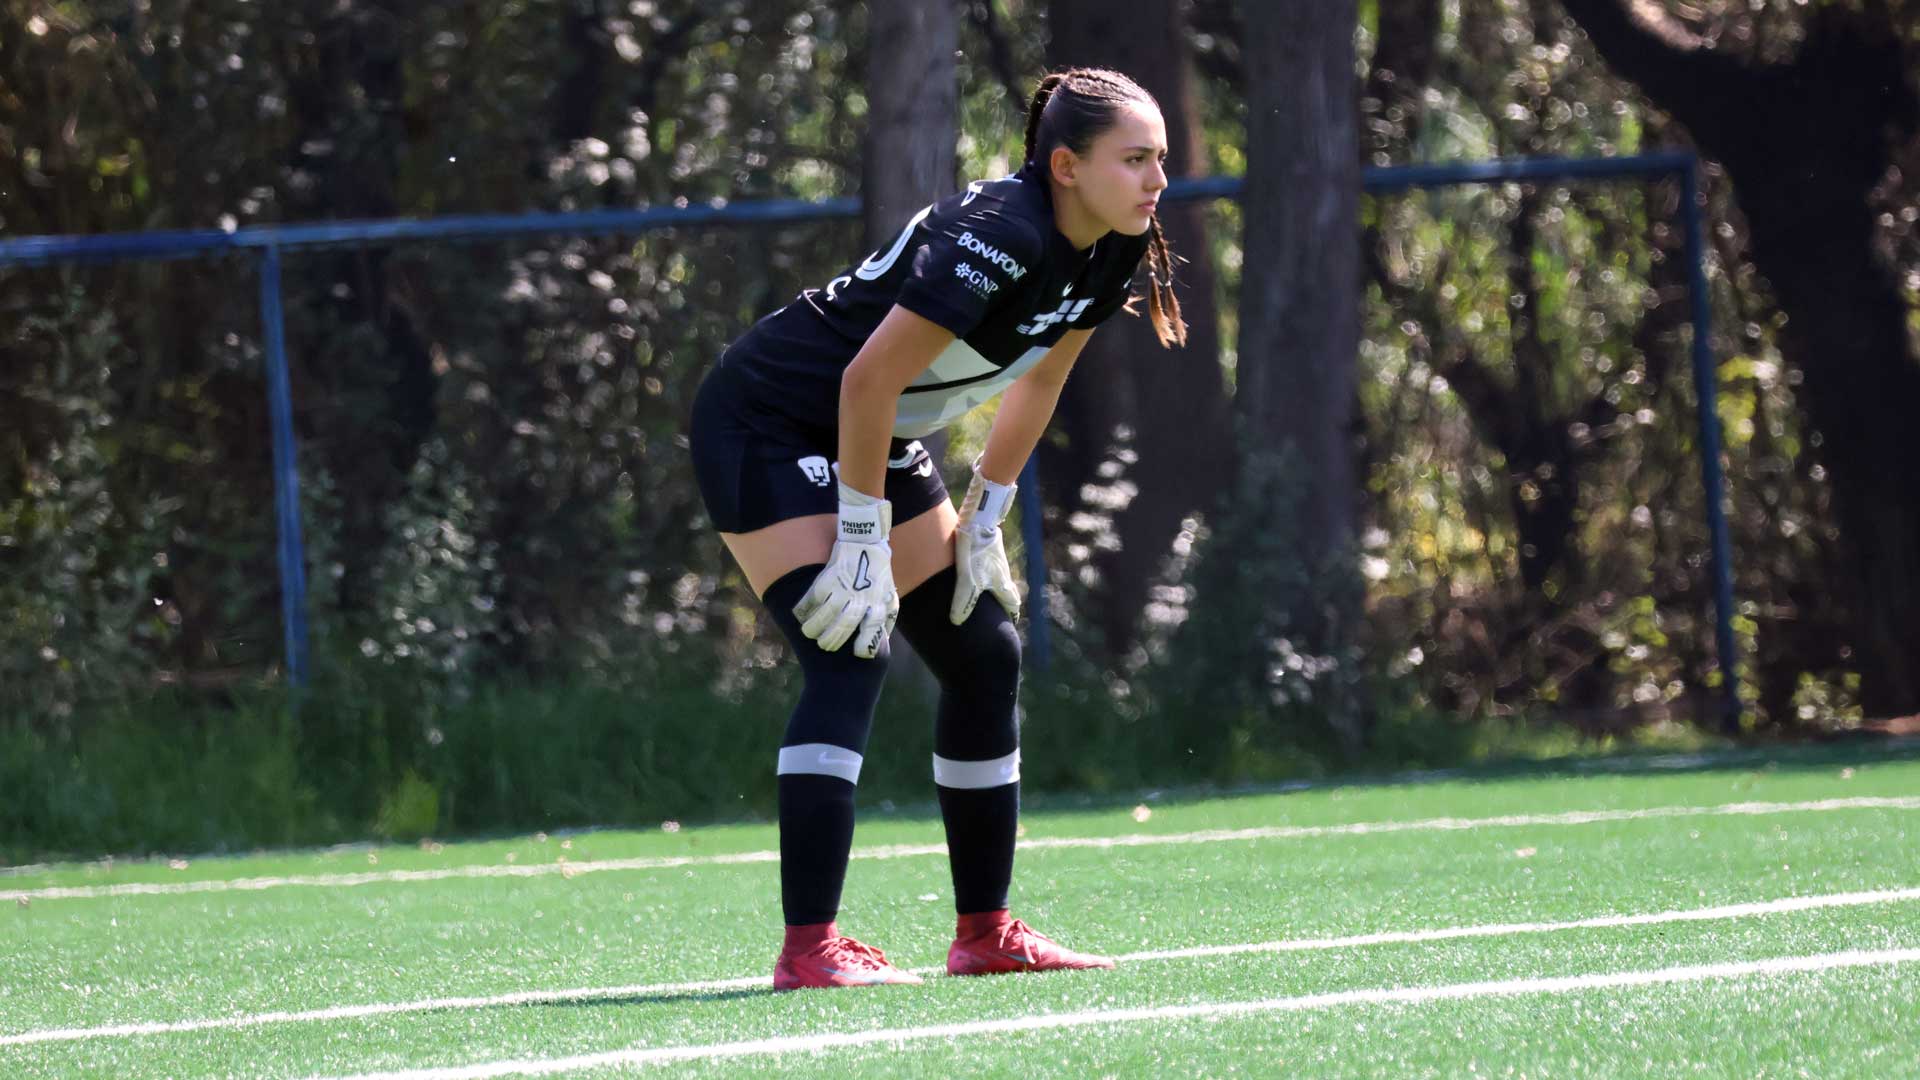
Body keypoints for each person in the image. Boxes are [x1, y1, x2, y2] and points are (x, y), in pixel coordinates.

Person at [688, 67, 1187, 991]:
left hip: (874, 429)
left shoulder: (1116, 240)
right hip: (768, 421)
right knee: (849, 647)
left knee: (983, 654)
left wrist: (987, 511)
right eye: (1135, 159)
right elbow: (866, 380)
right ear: (1066, 166)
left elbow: (1043, 376)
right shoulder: (1002, 233)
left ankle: (985, 932)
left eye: (1160, 158)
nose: (1158, 179)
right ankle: (809, 950)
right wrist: (861, 534)